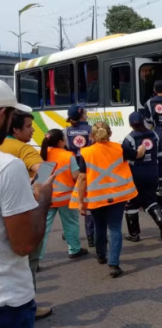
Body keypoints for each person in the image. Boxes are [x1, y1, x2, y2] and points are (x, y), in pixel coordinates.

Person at [0, 80, 55, 327]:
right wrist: (42, 195)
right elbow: (45, 171)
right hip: (9, 300)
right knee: (31, 259)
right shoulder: (13, 159)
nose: (33, 131)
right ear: (5, 116)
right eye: (30, 126)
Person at [69, 122, 145, 278]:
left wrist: (81, 201)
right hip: (117, 196)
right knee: (115, 228)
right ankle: (114, 264)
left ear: (92, 136)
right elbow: (137, 155)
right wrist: (142, 148)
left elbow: (82, 178)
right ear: (110, 134)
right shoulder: (119, 148)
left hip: (96, 198)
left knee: (99, 227)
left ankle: (101, 255)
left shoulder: (87, 152)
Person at [38, 129, 89, 261]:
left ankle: (37, 257)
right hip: (66, 198)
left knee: (43, 227)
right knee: (71, 224)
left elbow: (42, 178)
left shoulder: (43, 154)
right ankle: (74, 249)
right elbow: (76, 177)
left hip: (47, 198)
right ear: (60, 142)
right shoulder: (67, 156)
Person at [123, 112, 162, 242]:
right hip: (153, 173)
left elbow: (124, 157)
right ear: (143, 120)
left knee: (131, 204)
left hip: (136, 174)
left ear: (130, 124)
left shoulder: (129, 138)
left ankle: (134, 234)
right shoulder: (154, 134)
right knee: (150, 200)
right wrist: (161, 175)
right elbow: (160, 156)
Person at [64, 105, 95, 248]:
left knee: (72, 203)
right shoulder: (92, 131)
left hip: (72, 171)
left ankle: (69, 231)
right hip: (87, 171)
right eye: (85, 112)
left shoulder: (65, 132)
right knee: (87, 204)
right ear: (82, 115)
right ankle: (90, 236)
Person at [143, 80, 162, 192]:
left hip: (157, 131)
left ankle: (159, 182)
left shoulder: (149, 103)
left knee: (158, 156)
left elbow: (148, 120)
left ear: (154, 90)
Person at [0, 111, 41, 178]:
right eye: (29, 126)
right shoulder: (25, 149)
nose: (33, 130)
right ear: (16, 129)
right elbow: (45, 173)